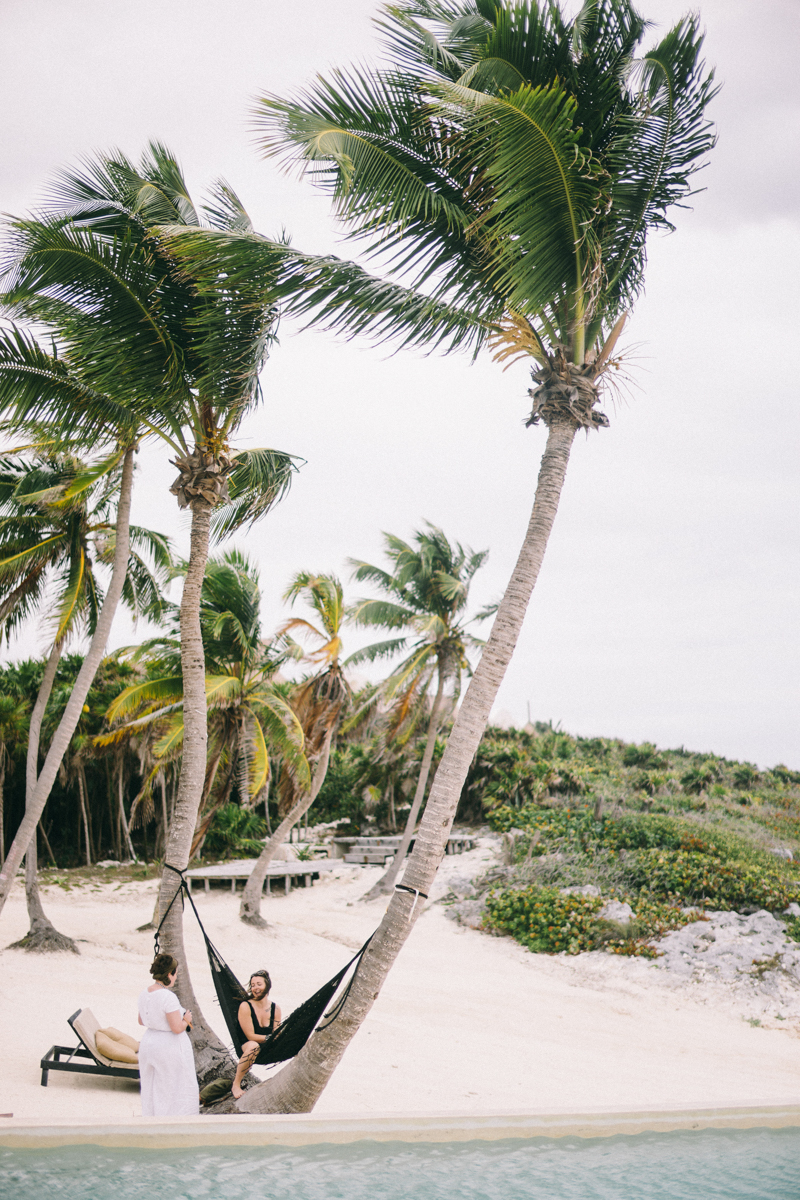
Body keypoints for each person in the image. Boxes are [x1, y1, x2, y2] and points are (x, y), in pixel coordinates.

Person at [137, 953, 199, 1116]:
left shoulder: (145, 993)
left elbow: (141, 1020)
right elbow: (177, 1028)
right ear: (169, 974)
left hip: (148, 1043)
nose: (176, 976)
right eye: (175, 973)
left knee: (151, 1086)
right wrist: (186, 1019)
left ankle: (151, 1118)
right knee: (173, 1087)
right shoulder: (168, 997)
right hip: (167, 1047)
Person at [231, 969, 282, 1100]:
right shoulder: (245, 1006)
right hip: (246, 1045)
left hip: (267, 1047)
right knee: (254, 1045)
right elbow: (250, 1036)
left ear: (267, 986)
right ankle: (236, 1085)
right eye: (253, 985)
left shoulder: (275, 1009)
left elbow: (276, 1033)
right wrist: (270, 1038)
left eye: (259, 984)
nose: (255, 988)